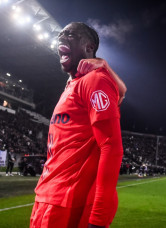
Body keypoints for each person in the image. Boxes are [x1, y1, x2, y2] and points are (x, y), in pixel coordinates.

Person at [30, 22, 126, 228]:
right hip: (48, 195)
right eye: (61, 34)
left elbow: (112, 147)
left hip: (68, 202)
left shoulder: (95, 80)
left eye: (70, 34)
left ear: (89, 47)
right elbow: (122, 92)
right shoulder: (72, 85)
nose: (61, 37)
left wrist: (99, 218)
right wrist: (107, 66)